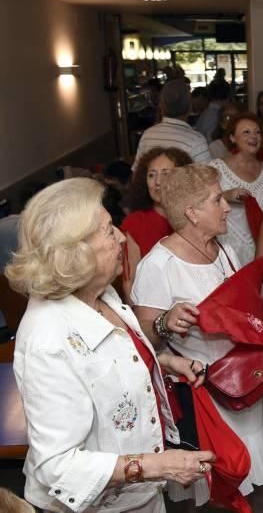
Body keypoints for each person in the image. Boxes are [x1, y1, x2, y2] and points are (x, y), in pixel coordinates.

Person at [7, 178, 213, 512]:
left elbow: (101, 368)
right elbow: (57, 467)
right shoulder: (47, 339)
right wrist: (160, 465)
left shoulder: (98, 292)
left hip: (140, 497)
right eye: (107, 229)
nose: (120, 236)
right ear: (74, 252)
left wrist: (161, 362)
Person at [131, 165, 263, 507]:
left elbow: (248, 317)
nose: (227, 206)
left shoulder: (225, 250)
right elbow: (142, 342)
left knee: (247, 477)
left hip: (241, 383)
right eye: (217, 200)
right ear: (192, 213)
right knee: (220, 484)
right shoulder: (158, 266)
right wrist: (166, 321)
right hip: (202, 391)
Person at [121, 146, 193, 302]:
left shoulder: (194, 216)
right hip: (152, 309)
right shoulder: (135, 223)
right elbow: (130, 282)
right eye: (151, 175)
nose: (158, 182)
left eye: (166, 174)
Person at [209, 112, 263, 265]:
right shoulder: (217, 168)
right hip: (225, 251)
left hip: (262, 252)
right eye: (246, 132)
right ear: (233, 138)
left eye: (257, 132)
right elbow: (201, 204)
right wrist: (226, 196)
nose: (253, 136)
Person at [135, 79, 211, 166]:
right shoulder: (196, 140)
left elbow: (137, 174)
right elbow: (208, 177)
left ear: (161, 107)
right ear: (190, 107)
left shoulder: (147, 135)